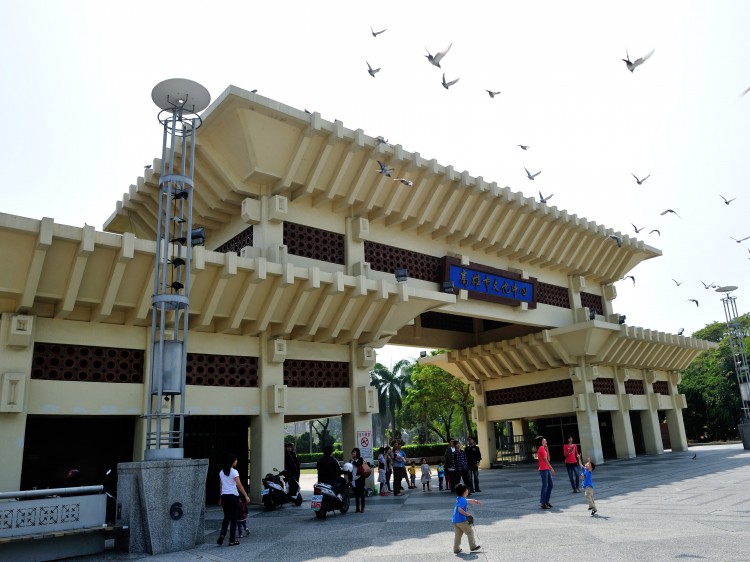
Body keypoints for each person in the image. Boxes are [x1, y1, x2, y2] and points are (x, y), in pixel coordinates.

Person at [217, 453, 249, 547]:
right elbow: (239, 485)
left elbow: (221, 486)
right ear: (232, 462)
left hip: (224, 497)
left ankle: (222, 535)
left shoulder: (221, 472)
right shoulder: (234, 472)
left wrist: (220, 497)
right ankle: (232, 540)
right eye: (235, 460)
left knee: (226, 517)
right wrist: (246, 495)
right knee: (234, 519)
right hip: (233, 497)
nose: (237, 461)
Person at [451, 483, 482, 554]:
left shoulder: (459, 498)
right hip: (462, 520)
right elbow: (459, 509)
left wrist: (474, 500)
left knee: (458, 535)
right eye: (467, 489)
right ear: (465, 492)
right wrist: (467, 514)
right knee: (470, 532)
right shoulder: (463, 500)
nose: (468, 490)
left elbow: (466, 500)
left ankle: (456, 549)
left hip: (456, 520)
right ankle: (473, 546)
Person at [536, 436, 555, 509]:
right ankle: (543, 503)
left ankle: (546, 501)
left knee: (550, 485)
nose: (546, 440)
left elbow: (548, 459)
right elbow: (545, 459)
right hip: (543, 469)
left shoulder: (543, 448)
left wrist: (547, 449)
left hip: (546, 469)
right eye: (544, 439)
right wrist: (551, 468)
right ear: (541, 441)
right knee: (545, 486)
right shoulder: (540, 448)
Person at [350, 447, 367, 513]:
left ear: (357, 453)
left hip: (360, 478)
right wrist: (350, 479)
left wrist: (352, 461)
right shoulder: (350, 461)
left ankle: (362, 507)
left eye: (354, 452)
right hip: (354, 479)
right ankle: (357, 507)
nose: (353, 453)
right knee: (356, 494)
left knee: (362, 493)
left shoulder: (360, 459)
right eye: (353, 452)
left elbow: (357, 464)